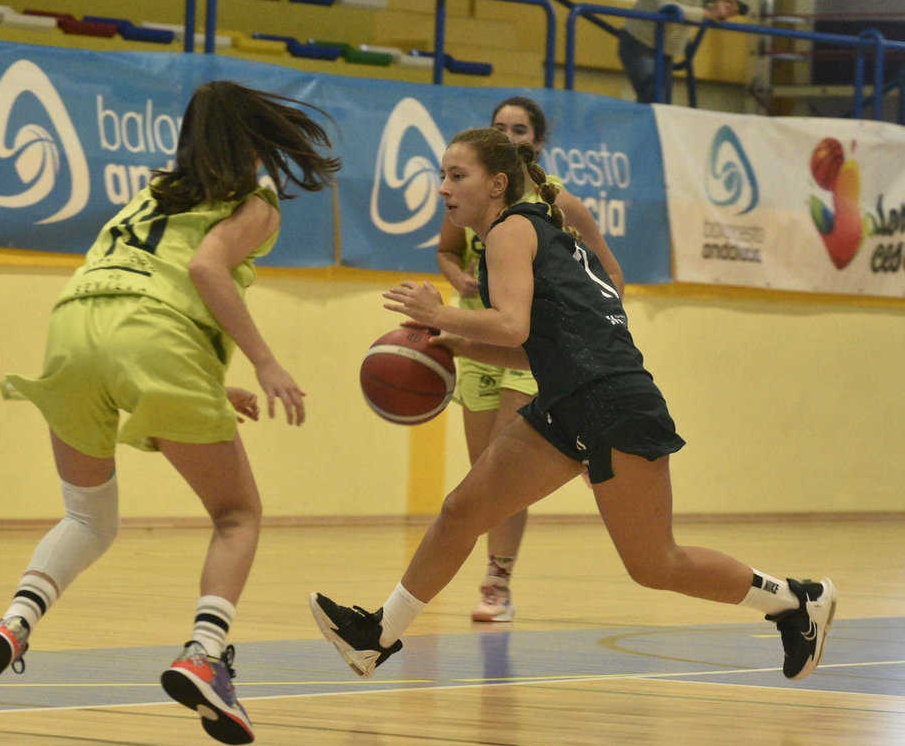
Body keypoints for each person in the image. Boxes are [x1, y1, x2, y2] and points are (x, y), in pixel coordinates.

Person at [310, 129, 836, 680]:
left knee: (655, 564)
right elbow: (541, 347)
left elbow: (513, 326)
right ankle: (377, 636)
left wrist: (439, 314)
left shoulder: (513, 229)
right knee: (461, 511)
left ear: (496, 184)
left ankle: (796, 604)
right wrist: (463, 345)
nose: (443, 187)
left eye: (456, 175)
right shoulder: (522, 236)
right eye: (441, 175)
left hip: (613, 403)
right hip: (566, 401)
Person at [0, 82, 340, 744]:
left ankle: (11, 625)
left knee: (86, 517)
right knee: (237, 514)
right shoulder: (255, 200)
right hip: (154, 339)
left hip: (74, 323)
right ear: (257, 135)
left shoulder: (156, 190)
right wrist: (265, 362)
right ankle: (204, 657)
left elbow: (150, 282)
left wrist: (211, 385)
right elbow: (206, 271)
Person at [435, 96, 625, 622]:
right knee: (485, 475)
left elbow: (611, 275)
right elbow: (447, 252)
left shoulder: (555, 200)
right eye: (500, 127)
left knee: (503, 460)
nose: (510, 135)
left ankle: (497, 580)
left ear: (537, 142)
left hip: (528, 347)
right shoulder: (470, 199)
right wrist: (463, 283)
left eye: (520, 129)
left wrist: (589, 334)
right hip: (478, 338)